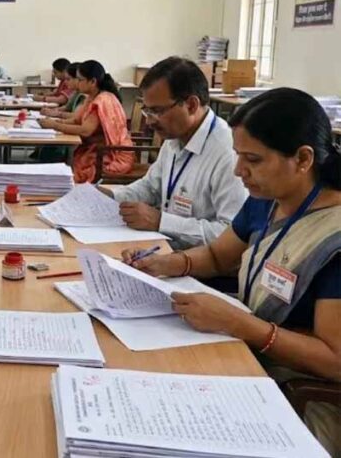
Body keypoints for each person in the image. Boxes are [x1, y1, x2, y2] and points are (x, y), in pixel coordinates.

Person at [122, 88, 341, 456]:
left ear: (303, 159)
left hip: (301, 396)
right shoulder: (267, 201)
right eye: (238, 156)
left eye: (252, 159)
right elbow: (218, 256)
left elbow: (334, 361)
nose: (239, 171)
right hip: (246, 358)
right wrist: (169, 262)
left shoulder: (333, 237)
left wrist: (239, 324)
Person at [99, 57, 248, 249]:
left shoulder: (229, 153)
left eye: (157, 111)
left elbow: (232, 234)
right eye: (147, 110)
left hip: (201, 263)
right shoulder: (174, 138)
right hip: (166, 249)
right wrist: (109, 196)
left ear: (191, 105)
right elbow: (150, 187)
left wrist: (161, 221)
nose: (149, 121)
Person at [40, 60, 133, 183]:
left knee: (76, 174)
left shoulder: (102, 100)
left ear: (93, 81)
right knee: (71, 164)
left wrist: (55, 125)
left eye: (80, 79)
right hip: (97, 149)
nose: (77, 83)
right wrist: (54, 122)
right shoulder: (91, 97)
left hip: (112, 154)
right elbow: (76, 120)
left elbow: (85, 131)